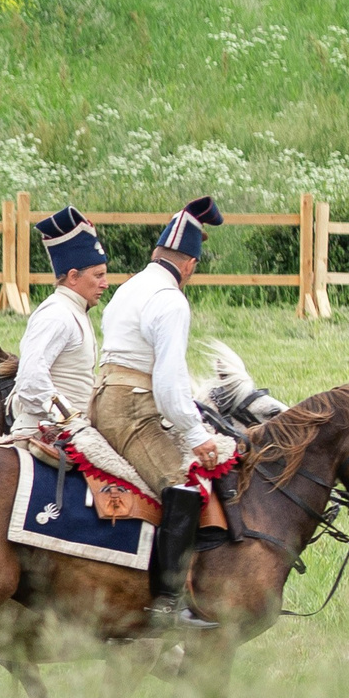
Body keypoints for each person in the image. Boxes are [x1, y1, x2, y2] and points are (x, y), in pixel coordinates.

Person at [90, 195, 229, 630]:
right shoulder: (171, 301)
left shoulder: (129, 288)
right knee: (185, 487)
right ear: (189, 263)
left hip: (107, 396)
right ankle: (169, 606)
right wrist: (196, 435)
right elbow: (168, 386)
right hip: (132, 410)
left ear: (157, 254)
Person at [9, 205, 108, 441]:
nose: (105, 283)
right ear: (73, 277)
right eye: (98, 275)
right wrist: (69, 417)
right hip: (47, 432)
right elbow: (30, 378)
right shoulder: (57, 314)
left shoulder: (73, 310)